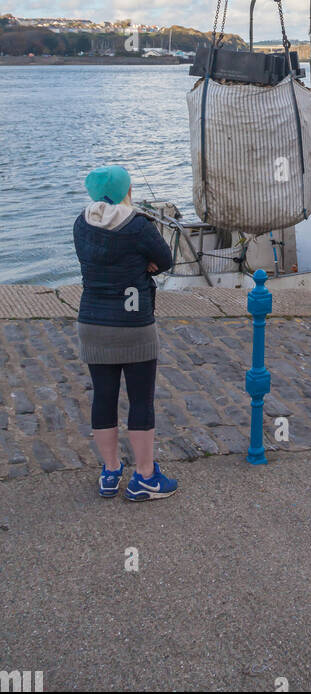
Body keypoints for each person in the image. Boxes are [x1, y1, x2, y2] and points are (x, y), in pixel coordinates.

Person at [73, 165, 177, 500]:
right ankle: (145, 476)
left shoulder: (80, 224)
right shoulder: (138, 226)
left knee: (103, 397)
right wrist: (145, 264)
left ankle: (110, 470)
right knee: (140, 400)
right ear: (126, 190)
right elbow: (166, 258)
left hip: (92, 324)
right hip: (133, 326)